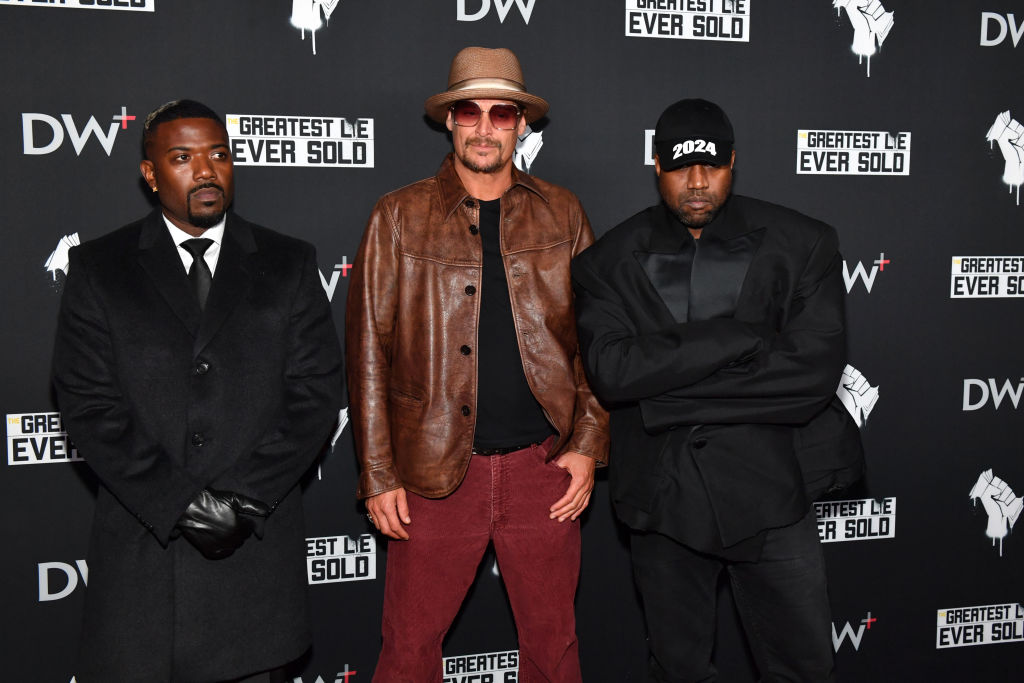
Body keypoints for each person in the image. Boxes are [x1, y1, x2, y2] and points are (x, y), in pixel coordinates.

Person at [52, 99, 345, 683]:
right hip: (144, 568)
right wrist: (181, 504)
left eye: (219, 155)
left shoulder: (289, 262)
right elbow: (87, 405)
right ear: (150, 173)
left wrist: (240, 502)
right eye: (183, 157)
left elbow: (315, 395)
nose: (206, 171)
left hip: (252, 561)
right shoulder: (100, 267)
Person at [572, 98, 864, 682]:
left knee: (805, 669)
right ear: (658, 165)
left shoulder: (803, 242)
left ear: (733, 162)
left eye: (711, 166)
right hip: (664, 499)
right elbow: (614, 373)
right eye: (682, 166)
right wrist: (740, 338)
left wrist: (663, 396)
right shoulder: (606, 261)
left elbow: (810, 378)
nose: (698, 182)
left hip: (773, 493)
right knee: (678, 671)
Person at [346, 47, 609, 682]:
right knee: (408, 650)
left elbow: (599, 341)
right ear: (449, 120)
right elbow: (368, 353)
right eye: (470, 111)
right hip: (432, 475)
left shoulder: (563, 212)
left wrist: (587, 444)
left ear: (521, 123)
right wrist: (378, 474)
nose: (484, 127)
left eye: (501, 113)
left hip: (543, 471)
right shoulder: (397, 216)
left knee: (554, 648)